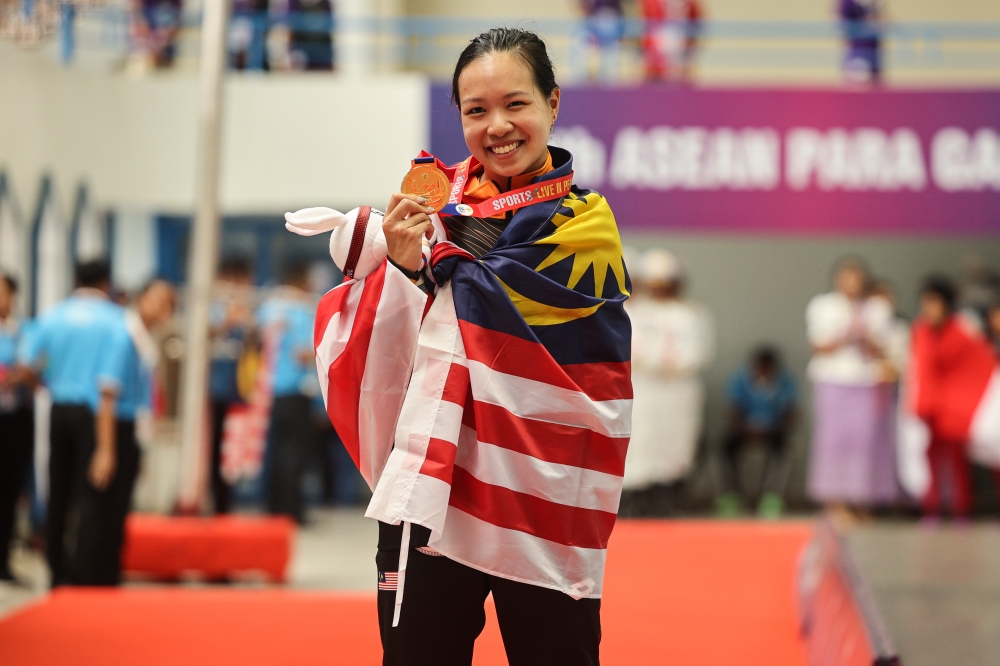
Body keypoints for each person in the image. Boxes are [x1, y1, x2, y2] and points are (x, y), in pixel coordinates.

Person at [287, 27, 630, 665]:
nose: (497, 125)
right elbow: (394, 347)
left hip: (540, 495)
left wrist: (432, 262)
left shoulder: (585, 227)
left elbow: (588, 374)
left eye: (516, 104)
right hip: (434, 486)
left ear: (553, 104)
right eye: (477, 111)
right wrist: (400, 267)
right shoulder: (428, 212)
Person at [20, 260, 127, 587]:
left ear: (74, 279)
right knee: (92, 494)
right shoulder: (115, 321)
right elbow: (108, 386)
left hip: (58, 409)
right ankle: (83, 571)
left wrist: (47, 383)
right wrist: (107, 447)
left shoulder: (52, 316)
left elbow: (26, 367)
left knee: (59, 489)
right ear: (107, 282)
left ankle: (56, 569)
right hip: (94, 415)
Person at [77, 280, 175, 585]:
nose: (163, 309)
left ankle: (106, 575)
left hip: (130, 427)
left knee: (117, 508)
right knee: (102, 508)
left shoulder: (142, 337)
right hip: (113, 427)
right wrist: (106, 450)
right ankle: (88, 577)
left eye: (169, 303)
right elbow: (107, 394)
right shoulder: (124, 336)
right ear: (140, 298)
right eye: (158, 300)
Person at [621, 248, 713, 516]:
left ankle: (670, 494)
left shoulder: (692, 313)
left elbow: (700, 350)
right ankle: (637, 496)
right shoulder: (636, 312)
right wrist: (651, 361)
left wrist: (676, 363)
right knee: (641, 438)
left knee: (677, 438)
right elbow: (634, 349)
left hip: (680, 386)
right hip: (644, 385)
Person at [806, 258, 896, 526]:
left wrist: (864, 334)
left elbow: (885, 349)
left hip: (865, 382)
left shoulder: (877, 308)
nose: (851, 284)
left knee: (865, 442)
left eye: (856, 278)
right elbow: (820, 346)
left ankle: (863, 501)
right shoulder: (824, 306)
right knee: (834, 441)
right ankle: (835, 502)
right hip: (833, 381)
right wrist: (847, 334)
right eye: (846, 277)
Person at [908, 277, 994, 522]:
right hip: (930, 408)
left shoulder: (962, 330)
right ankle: (931, 508)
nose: (929, 308)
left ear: (946, 304)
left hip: (957, 409)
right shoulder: (921, 331)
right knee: (930, 460)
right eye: (926, 303)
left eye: (934, 302)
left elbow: (978, 366)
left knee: (958, 462)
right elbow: (920, 369)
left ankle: (961, 510)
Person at [257, 263, 316, 524]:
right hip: (294, 389)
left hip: (268, 389)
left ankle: (273, 507)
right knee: (293, 454)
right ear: (301, 280)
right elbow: (303, 352)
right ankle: (292, 511)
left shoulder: (268, 307)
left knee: (275, 451)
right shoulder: (302, 309)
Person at [716, 346, 797, 519]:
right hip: (745, 431)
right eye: (760, 368)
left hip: (773, 432)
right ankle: (731, 496)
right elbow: (732, 411)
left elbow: (791, 413)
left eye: (768, 369)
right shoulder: (740, 379)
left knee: (785, 450)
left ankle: (771, 497)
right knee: (724, 447)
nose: (763, 373)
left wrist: (776, 429)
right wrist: (744, 429)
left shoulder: (784, 382)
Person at [208, 257, 256, 514]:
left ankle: (229, 500)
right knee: (214, 447)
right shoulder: (214, 308)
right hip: (215, 392)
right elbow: (206, 331)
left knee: (236, 448)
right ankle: (216, 502)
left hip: (240, 392)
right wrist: (229, 320)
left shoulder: (250, 312)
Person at [0, 274, 34, 582]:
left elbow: (39, 369)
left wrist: (25, 375)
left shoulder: (25, 332)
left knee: (10, 489)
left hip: (15, 419)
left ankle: (3, 560)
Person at [640, 0, 704, 83]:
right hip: (656, 50)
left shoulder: (690, 4)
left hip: (680, 48)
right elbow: (644, 25)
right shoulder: (650, 3)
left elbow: (696, 25)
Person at [570, 0, 625, 84]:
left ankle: (609, 90)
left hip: (609, 20)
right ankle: (580, 87)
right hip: (591, 20)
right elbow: (581, 5)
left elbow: (619, 6)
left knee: (610, 63)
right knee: (580, 54)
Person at [838, 0, 884, 86]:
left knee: (874, 85)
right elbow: (842, 25)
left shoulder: (874, 3)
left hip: (872, 49)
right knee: (856, 83)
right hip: (856, 48)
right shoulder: (847, 3)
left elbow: (882, 20)